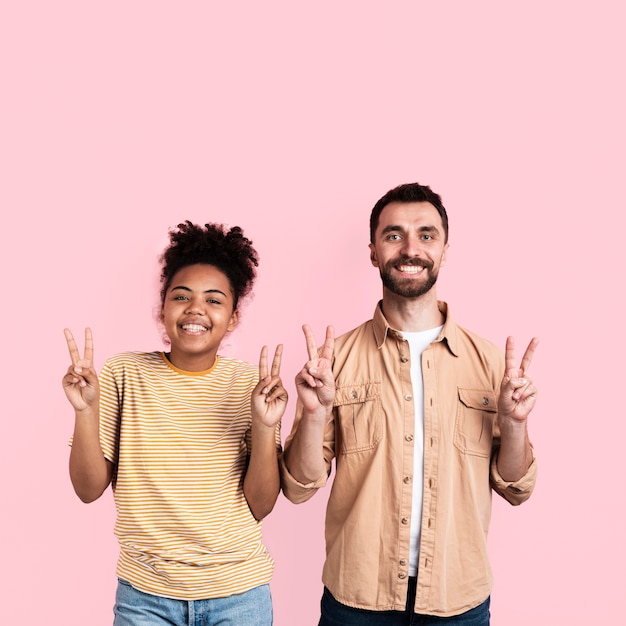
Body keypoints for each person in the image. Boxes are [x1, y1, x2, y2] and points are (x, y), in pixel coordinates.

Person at [280, 183, 539, 625]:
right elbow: (300, 487)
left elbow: (517, 488)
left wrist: (515, 426)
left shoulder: (490, 362)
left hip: (457, 598)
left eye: (426, 235)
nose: (411, 249)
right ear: (373, 251)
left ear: (444, 249)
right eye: (394, 235)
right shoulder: (334, 359)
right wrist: (313, 414)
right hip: (357, 599)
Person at [62, 221, 287, 626]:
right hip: (144, 596)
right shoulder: (123, 374)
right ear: (162, 310)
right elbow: (87, 489)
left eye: (214, 300)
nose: (195, 309)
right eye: (181, 296)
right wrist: (84, 411)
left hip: (239, 594)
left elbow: (262, 504)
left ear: (233, 317)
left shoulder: (249, 385)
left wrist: (265, 424)